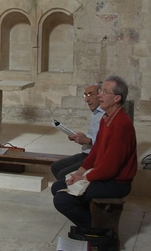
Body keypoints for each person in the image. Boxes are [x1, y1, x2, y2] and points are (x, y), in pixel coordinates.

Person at [51, 75, 137, 229]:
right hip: (104, 176)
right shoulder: (107, 118)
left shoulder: (121, 124)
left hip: (116, 183)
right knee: (56, 187)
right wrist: (80, 172)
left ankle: (100, 230)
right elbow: (95, 152)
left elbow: (109, 168)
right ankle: (94, 221)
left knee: (62, 200)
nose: (99, 95)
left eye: (104, 92)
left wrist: (84, 177)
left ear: (117, 98)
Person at [51, 83, 104, 180]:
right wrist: (77, 136)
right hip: (85, 153)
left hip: (94, 157)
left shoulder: (105, 114)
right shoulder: (96, 113)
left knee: (62, 175)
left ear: (100, 95)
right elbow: (94, 136)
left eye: (91, 94)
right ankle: (68, 191)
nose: (87, 100)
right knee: (56, 167)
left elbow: (105, 141)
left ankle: (71, 192)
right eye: (85, 95)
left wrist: (88, 140)